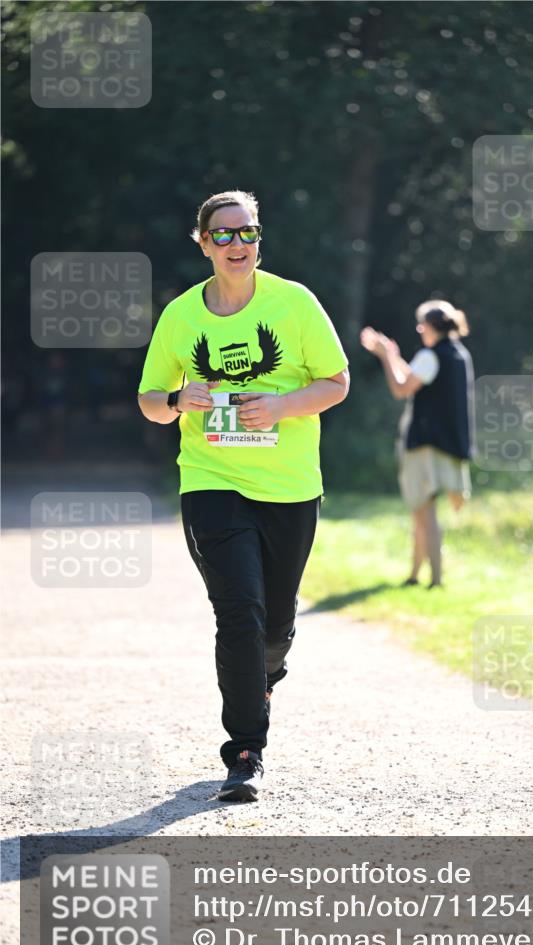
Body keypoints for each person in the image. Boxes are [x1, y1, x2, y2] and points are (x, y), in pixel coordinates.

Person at [138, 190, 349, 802]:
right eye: (223, 235)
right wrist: (180, 400)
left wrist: (280, 405)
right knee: (239, 612)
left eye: (248, 233)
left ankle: (267, 674)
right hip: (211, 481)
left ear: (260, 239)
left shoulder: (295, 303)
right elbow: (151, 401)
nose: (237, 245)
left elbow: (336, 382)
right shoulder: (181, 316)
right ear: (202, 242)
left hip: (288, 488)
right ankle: (245, 750)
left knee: (275, 626)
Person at [360, 300, 473, 588]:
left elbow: (400, 388)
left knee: (424, 513)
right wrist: (394, 355)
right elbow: (415, 378)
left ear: (432, 327)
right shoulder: (458, 354)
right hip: (448, 444)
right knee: (423, 513)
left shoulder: (431, 355)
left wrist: (385, 357)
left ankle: (434, 580)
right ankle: (414, 575)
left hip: (425, 445)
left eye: (422, 324)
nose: (419, 329)